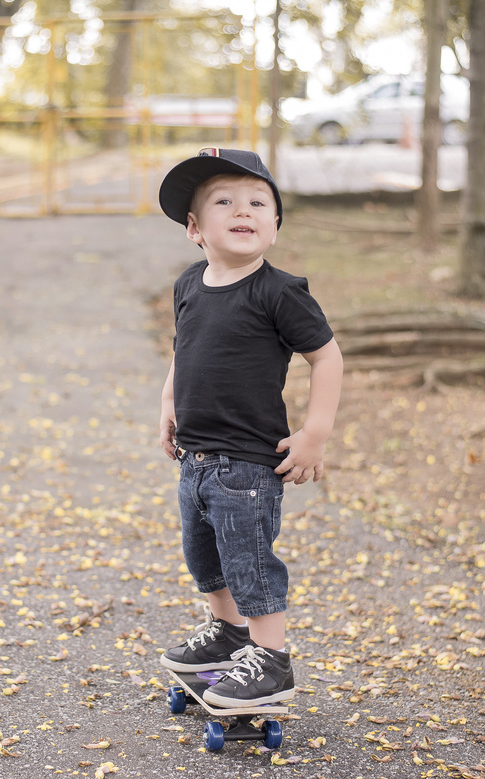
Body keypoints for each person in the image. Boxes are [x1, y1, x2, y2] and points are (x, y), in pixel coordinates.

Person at [156, 147, 343, 708]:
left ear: (275, 226)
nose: (244, 210)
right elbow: (183, 349)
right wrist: (168, 401)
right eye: (225, 201)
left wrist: (315, 433)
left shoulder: (279, 292)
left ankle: (271, 660)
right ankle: (230, 635)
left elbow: (328, 358)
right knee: (206, 559)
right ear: (195, 229)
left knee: (250, 562)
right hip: (196, 459)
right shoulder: (190, 283)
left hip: (247, 465)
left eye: (258, 202)